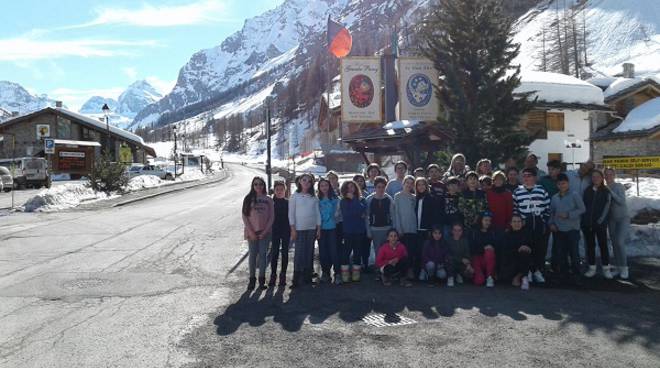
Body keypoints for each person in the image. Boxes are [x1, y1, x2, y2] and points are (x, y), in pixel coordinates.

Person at [512, 167, 550, 284]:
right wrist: (520, 221)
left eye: (529, 175)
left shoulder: (541, 190)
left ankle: (537, 270)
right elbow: (515, 208)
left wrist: (543, 220)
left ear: (535, 177)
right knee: (526, 248)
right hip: (525, 224)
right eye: (524, 176)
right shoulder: (517, 191)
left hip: (539, 223)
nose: (526, 178)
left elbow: (548, 207)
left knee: (539, 249)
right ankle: (526, 271)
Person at [549, 173, 585, 284]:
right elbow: (551, 213)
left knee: (574, 253)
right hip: (559, 230)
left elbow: (582, 209)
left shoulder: (574, 195)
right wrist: (551, 224)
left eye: (564, 183)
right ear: (557, 185)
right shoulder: (554, 197)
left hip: (572, 229)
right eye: (559, 184)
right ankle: (564, 274)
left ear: (568, 183)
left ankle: (576, 274)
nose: (562, 186)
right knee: (561, 253)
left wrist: (569, 215)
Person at [241, 176, 275, 291]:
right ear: (252, 185)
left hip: (265, 232)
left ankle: (261, 279)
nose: (258, 186)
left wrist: (265, 231)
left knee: (263, 256)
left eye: (260, 184)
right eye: (256, 184)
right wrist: (251, 231)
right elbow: (244, 216)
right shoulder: (248, 198)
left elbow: (271, 217)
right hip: (252, 232)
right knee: (252, 255)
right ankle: (252, 279)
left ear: (264, 185)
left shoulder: (269, 199)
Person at [289, 173, 321, 288]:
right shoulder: (295, 196)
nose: (306, 182)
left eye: (309, 181)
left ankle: (307, 277)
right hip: (299, 229)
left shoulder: (314, 197)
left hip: (311, 228)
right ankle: (296, 279)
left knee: (309, 252)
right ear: (299, 182)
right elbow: (291, 214)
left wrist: (318, 228)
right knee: (299, 253)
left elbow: (317, 213)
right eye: (304, 180)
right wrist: (292, 229)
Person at [582, 169, 613, 279]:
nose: (595, 178)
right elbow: (583, 206)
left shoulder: (606, 191)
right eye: (593, 176)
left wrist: (601, 220)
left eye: (598, 176)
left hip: (600, 224)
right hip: (587, 224)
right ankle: (592, 268)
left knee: (603, 245)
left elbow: (607, 206)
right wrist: (584, 220)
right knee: (590, 246)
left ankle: (606, 268)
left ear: (602, 178)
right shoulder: (587, 190)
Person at [365, 177, 396, 271]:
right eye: (379, 187)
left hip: (387, 229)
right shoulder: (369, 199)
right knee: (378, 251)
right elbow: (366, 217)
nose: (381, 189)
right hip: (375, 230)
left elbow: (393, 215)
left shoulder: (389, 199)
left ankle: (387, 270)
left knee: (387, 251)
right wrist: (368, 230)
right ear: (375, 187)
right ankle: (379, 269)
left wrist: (393, 229)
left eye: (383, 187)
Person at [605, 167, 630, 279]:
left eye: (610, 174)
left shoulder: (618, 186)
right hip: (612, 219)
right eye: (606, 174)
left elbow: (621, 201)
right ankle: (618, 267)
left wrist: (610, 192)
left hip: (623, 218)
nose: (608, 176)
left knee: (620, 242)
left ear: (614, 175)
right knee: (614, 244)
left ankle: (625, 268)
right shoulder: (604, 188)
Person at [339, 180, 367, 282]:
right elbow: (347, 214)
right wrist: (358, 212)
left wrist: (355, 200)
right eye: (348, 187)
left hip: (359, 231)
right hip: (348, 231)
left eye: (352, 187)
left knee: (357, 252)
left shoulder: (362, 200)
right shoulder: (343, 201)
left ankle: (356, 273)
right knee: (346, 253)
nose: (350, 189)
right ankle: (345, 274)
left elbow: (362, 212)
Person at [393, 175, 418, 277]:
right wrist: (399, 229)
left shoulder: (414, 197)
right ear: (403, 184)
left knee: (411, 251)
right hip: (402, 229)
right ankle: (401, 272)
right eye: (407, 182)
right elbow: (396, 213)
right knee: (402, 252)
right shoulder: (397, 196)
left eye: (411, 183)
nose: (409, 185)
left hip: (412, 228)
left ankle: (410, 270)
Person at [500, 214, 533, 290]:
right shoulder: (506, 235)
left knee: (525, 252)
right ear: (511, 223)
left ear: (522, 223)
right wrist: (518, 249)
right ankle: (519, 276)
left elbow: (533, 247)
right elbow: (504, 251)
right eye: (514, 221)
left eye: (519, 221)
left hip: (524, 260)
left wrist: (528, 248)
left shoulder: (527, 234)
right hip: (510, 262)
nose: (517, 224)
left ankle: (523, 277)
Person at [317, 178, 340, 284]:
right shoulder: (317, 200)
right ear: (319, 187)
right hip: (321, 229)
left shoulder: (335, 198)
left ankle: (337, 273)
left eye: (326, 185)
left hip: (333, 229)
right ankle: (325, 272)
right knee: (323, 252)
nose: (324, 188)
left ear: (329, 186)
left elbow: (338, 213)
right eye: (322, 186)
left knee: (334, 251)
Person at [269, 180, 290, 287]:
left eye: (282, 189)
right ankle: (273, 275)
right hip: (275, 230)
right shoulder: (271, 202)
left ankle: (283, 275)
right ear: (274, 191)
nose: (279, 191)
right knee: (274, 253)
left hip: (286, 230)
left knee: (285, 253)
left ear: (285, 190)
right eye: (277, 190)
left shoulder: (288, 202)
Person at [469, 212, 497, 287]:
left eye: (489, 220)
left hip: (488, 259)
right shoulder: (473, 232)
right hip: (476, 258)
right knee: (479, 281)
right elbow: (471, 248)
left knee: (489, 251)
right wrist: (483, 248)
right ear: (481, 220)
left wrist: (489, 248)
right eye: (486, 220)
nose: (488, 222)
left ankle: (489, 277)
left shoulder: (493, 232)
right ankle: (480, 275)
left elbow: (496, 247)